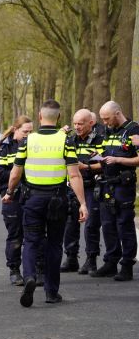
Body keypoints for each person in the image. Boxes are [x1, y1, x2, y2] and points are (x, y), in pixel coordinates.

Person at [2, 99, 87, 307]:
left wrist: (9, 192)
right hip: (57, 200)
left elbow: (15, 173)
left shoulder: (28, 141)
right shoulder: (66, 141)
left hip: (33, 199)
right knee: (54, 245)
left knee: (31, 241)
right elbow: (74, 175)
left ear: (40, 116)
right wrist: (82, 203)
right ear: (59, 118)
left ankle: (29, 276)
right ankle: (51, 292)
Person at [91, 101, 139, 280]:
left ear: (117, 113)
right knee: (108, 225)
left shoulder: (133, 130)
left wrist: (118, 160)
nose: (104, 122)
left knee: (124, 224)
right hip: (106, 183)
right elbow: (105, 155)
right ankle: (111, 262)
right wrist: (96, 159)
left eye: (107, 118)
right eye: (102, 119)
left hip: (123, 185)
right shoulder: (107, 132)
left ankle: (127, 265)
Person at [60, 110, 104, 274]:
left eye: (81, 123)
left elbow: (106, 163)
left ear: (90, 123)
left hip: (91, 186)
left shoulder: (100, 140)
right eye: (75, 123)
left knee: (91, 224)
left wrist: (86, 166)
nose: (77, 127)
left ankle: (91, 260)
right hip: (72, 187)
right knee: (70, 223)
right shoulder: (70, 140)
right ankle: (71, 258)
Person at [0, 115, 33, 285]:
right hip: (12, 197)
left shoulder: (33, 145)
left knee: (35, 235)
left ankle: (37, 270)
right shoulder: (3, 148)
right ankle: (14, 270)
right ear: (16, 129)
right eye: (25, 131)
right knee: (15, 235)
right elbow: (0, 174)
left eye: (31, 132)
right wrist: (21, 172)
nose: (28, 135)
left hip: (31, 195)